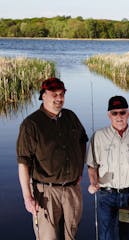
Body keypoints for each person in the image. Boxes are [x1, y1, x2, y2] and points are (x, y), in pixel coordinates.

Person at [16, 77, 88, 240]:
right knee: (48, 237)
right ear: (43, 95)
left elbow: (82, 141)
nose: (59, 98)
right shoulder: (31, 124)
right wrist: (27, 197)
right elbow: (23, 163)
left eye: (61, 94)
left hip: (72, 191)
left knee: (71, 235)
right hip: (46, 192)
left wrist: (79, 170)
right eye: (54, 94)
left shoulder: (71, 117)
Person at [86, 95, 129, 240]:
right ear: (109, 115)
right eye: (114, 113)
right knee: (106, 235)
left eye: (122, 112)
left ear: (128, 113)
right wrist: (93, 182)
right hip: (106, 195)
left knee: (126, 235)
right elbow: (91, 165)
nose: (119, 117)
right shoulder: (98, 136)